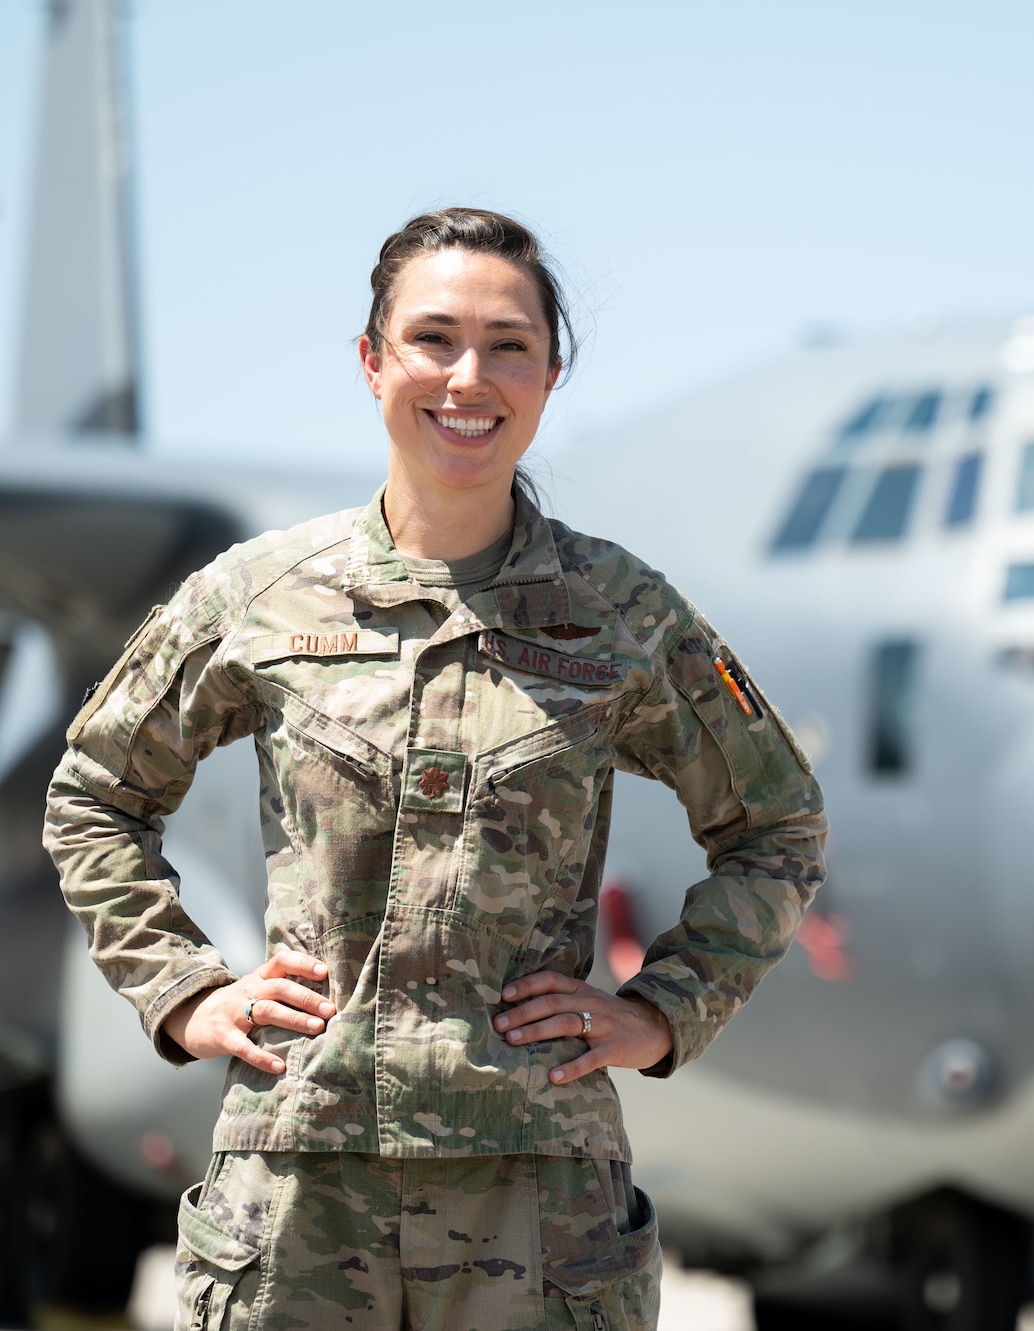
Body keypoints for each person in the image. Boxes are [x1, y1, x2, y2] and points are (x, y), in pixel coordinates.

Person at [43, 208, 827, 1331]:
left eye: (509, 342)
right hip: (301, 1188)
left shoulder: (622, 616)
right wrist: (184, 990)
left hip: (537, 1199)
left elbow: (779, 825)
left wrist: (664, 1009)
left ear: (551, 373)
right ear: (373, 363)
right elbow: (94, 794)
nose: (470, 376)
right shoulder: (260, 597)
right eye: (434, 338)